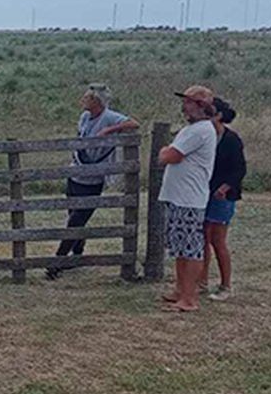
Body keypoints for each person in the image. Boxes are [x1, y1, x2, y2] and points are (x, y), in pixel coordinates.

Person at [46, 86, 140, 279]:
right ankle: (77, 253)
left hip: (94, 177)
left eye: (88, 97)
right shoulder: (84, 117)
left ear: (97, 102)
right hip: (77, 171)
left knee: (77, 219)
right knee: (73, 214)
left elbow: (134, 124)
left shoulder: (110, 116)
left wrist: (110, 130)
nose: (83, 99)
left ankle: (58, 261)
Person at [156, 86, 219, 312]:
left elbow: (170, 155)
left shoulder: (199, 130)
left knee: (190, 249)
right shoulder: (194, 129)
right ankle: (181, 290)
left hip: (189, 198)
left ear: (201, 106)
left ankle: (189, 298)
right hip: (180, 197)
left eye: (189, 103)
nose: (184, 107)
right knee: (180, 247)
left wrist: (165, 151)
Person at [202, 97, 246, 301]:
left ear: (218, 115)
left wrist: (225, 187)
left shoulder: (231, 140)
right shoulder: (204, 136)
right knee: (202, 238)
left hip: (224, 195)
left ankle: (225, 285)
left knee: (217, 240)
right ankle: (201, 281)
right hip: (203, 192)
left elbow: (239, 170)